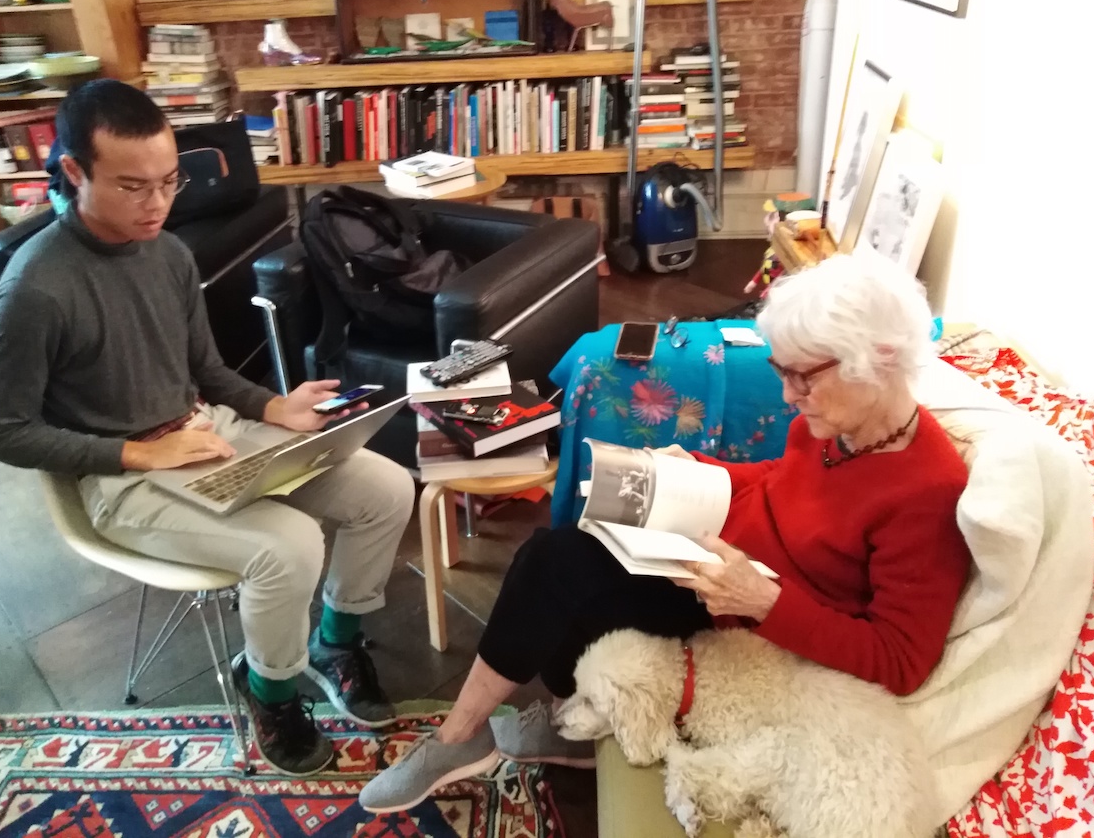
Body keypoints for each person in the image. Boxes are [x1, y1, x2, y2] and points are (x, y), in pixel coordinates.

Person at [359, 252, 971, 813]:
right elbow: (785, 480)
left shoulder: (926, 490)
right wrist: (701, 471)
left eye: (802, 377)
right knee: (559, 551)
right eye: (781, 373)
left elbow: (900, 660)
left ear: (878, 360)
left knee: (562, 575)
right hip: (718, 565)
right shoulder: (837, 422)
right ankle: (543, 722)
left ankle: (462, 736)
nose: (788, 395)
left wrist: (766, 603)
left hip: (757, 627)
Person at [0, 80, 416, 778]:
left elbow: (205, 369)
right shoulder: (35, 290)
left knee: (387, 488)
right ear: (73, 173)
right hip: (122, 479)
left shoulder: (168, 253)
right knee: (290, 545)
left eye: (170, 182)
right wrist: (136, 451)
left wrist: (275, 409)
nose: (158, 205)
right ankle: (268, 689)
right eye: (132, 186)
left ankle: (336, 640)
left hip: (210, 433)